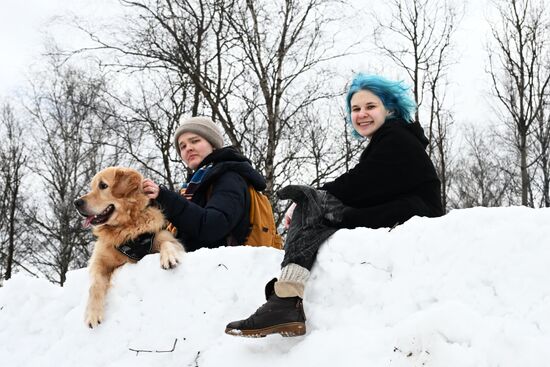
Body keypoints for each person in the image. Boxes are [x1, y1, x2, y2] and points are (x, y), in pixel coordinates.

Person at [224, 73, 444, 337]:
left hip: (412, 214)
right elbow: (365, 186)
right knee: (315, 209)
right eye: (355, 108)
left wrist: (311, 196)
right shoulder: (388, 139)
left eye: (370, 107)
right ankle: (285, 300)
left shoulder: (397, 138)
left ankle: (285, 300)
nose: (362, 114)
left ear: (391, 109)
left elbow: (361, 183)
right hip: (395, 210)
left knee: (311, 203)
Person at [141, 116, 267, 251]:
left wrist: (165, 198)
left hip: (224, 268)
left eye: (194, 141)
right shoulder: (193, 187)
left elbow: (212, 227)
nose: (188, 148)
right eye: (182, 146)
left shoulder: (229, 177)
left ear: (212, 143)